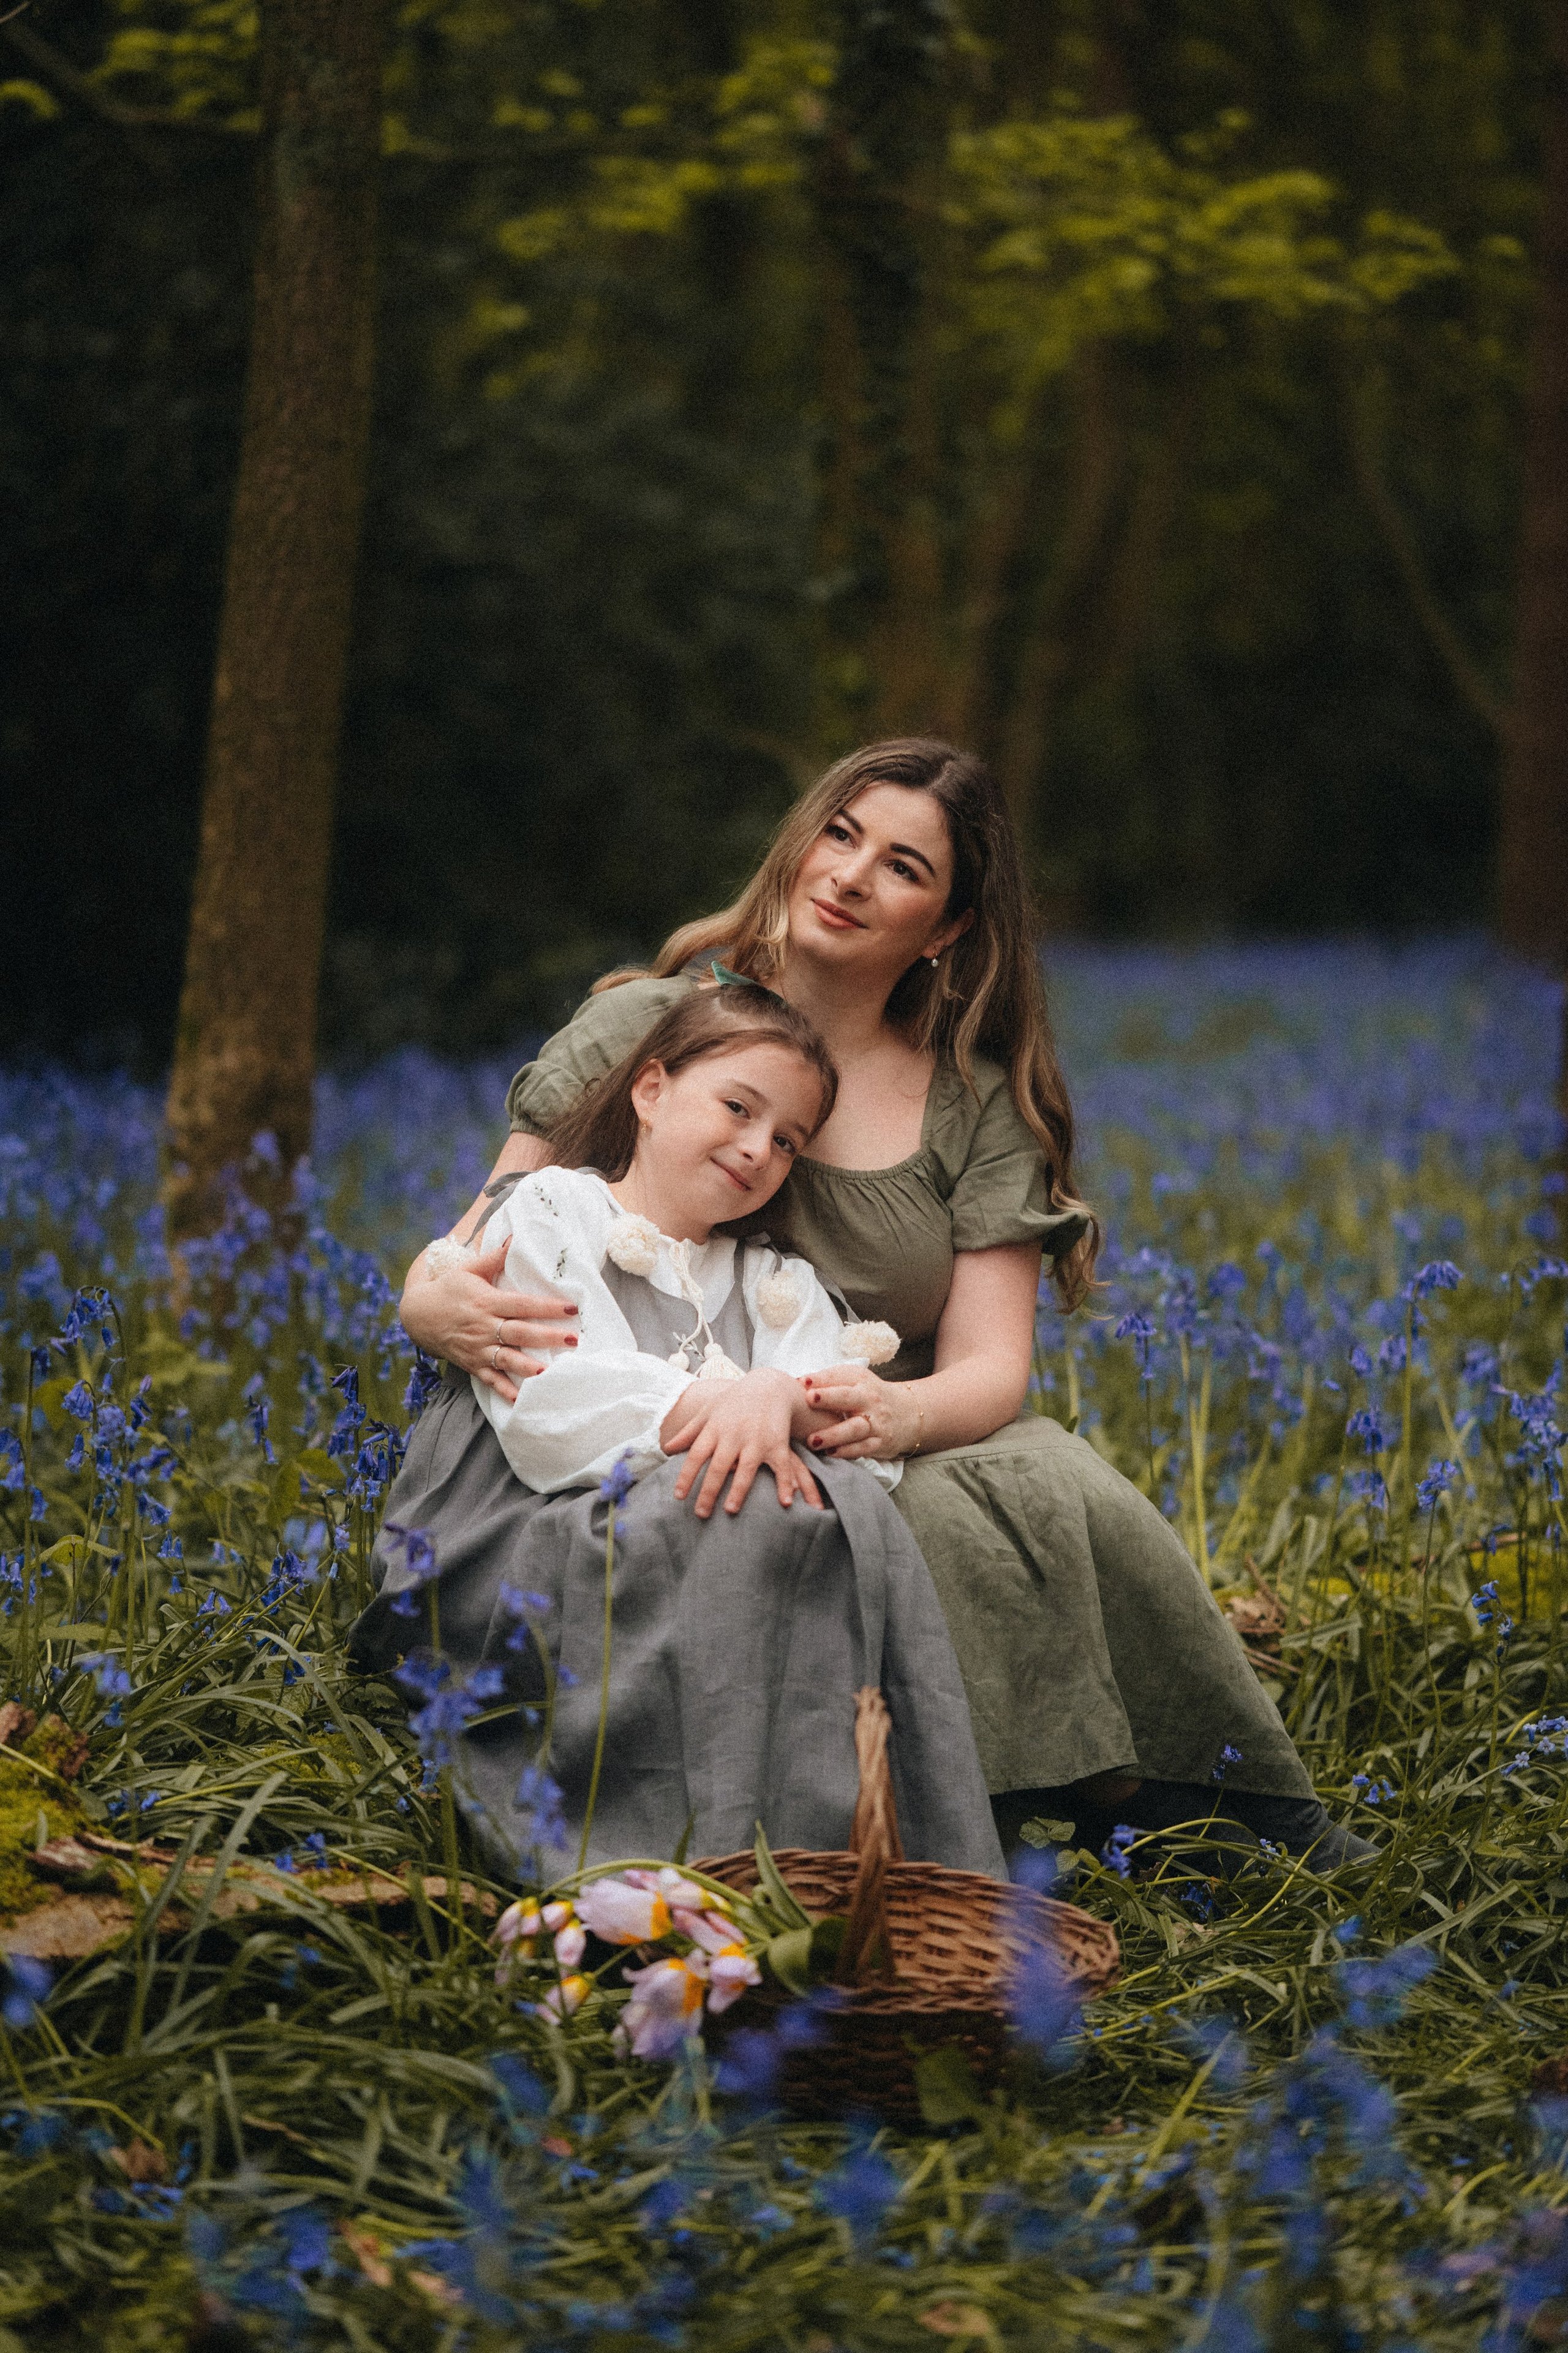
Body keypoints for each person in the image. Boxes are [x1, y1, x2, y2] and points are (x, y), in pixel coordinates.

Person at [401, 736, 1366, 1869]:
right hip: (623, 1407)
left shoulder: (971, 1099)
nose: (852, 875)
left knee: (1053, 1473)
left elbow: (990, 1369)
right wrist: (424, 1296)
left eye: (904, 867)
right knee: (914, 1519)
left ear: (949, 927)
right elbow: (489, 1233)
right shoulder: (654, 1025)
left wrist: (891, 1415)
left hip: (872, 1414)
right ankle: (1028, 1806)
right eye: (842, 834)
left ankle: (1229, 1799)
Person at [354, 980, 1005, 1876]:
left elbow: (830, 1399)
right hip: (535, 1521)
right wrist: (716, 1405)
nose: (756, 1149)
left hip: (695, 1514)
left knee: (831, 1504)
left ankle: (823, 1860)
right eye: (738, 1108)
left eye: (788, 1141)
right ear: (651, 1090)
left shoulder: (772, 1277)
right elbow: (547, 1405)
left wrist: (778, 1392)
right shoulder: (554, 1212)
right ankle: (673, 1854)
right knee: (753, 1502)